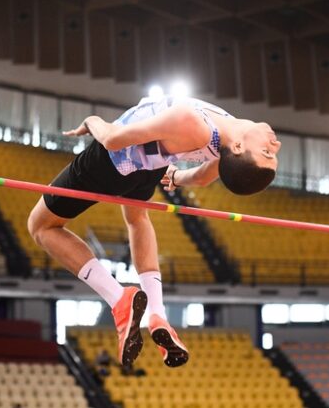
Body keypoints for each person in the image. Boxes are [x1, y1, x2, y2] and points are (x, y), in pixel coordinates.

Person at [28, 96, 281, 368]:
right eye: (272, 153)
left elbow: (113, 140)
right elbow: (201, 177)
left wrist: (94, 122)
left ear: (240, 147)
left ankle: (118, 298)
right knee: (137, 219)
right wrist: (173, 177)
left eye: (268, 153)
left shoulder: (193, 122)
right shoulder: (226, 139)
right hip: (149, 168)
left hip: (111, 161)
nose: (275, 145)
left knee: (41, 226)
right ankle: (157, 315)